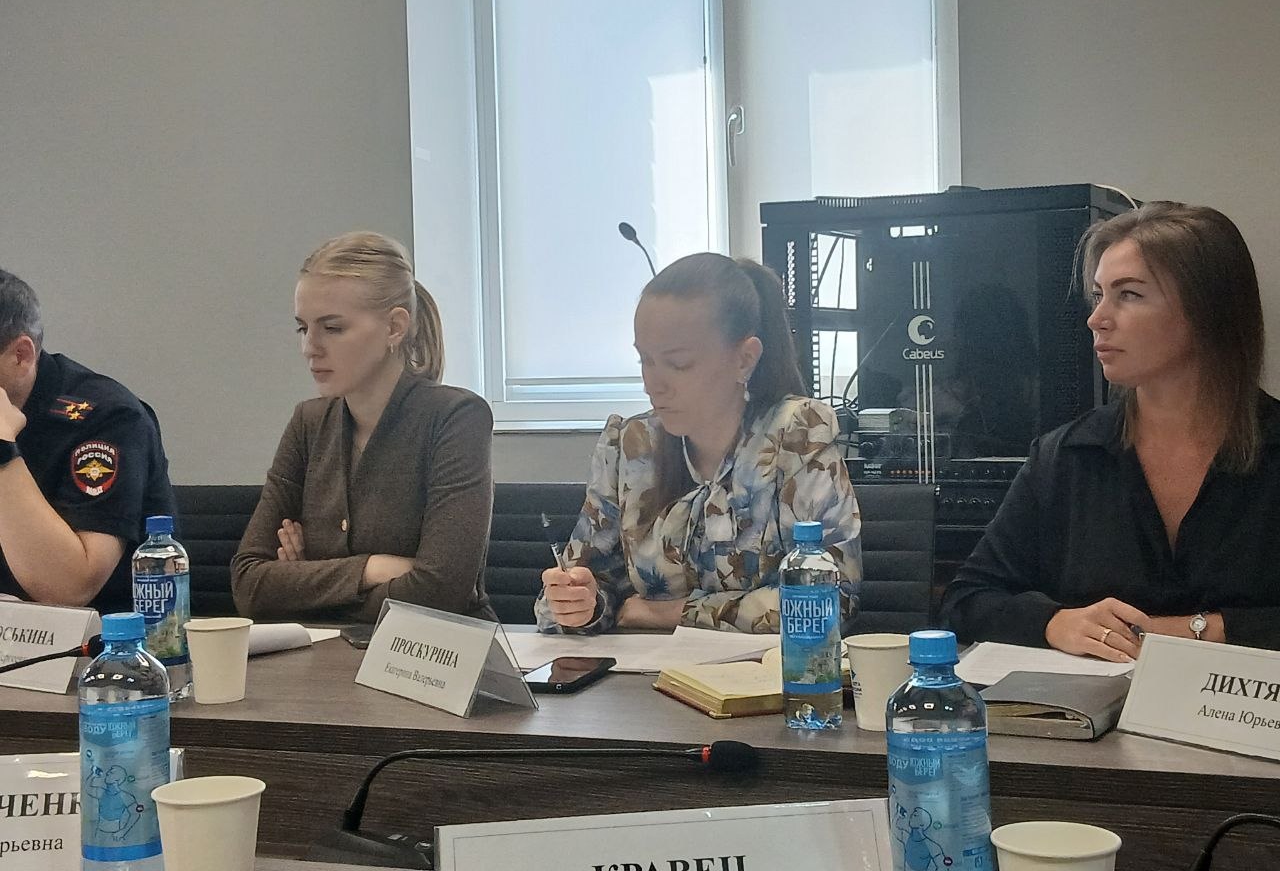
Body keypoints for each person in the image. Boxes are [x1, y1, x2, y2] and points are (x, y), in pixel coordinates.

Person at [941, 201, 1280, 657]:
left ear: (1208, 311)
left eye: (1130, 295)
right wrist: (1055, 622)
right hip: (1094, 701)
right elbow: (967, 600)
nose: (1096, 318)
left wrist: (1197, 630)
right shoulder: (1065, 455)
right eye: (1099, 294)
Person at [535, 253, 861, 634]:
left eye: (678, 364)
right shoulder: (630, 445)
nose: (653, 384)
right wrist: (584, 605)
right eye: (644, 361)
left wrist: (666, 613)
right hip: (645, 668)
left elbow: (830, 600)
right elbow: (569, 597)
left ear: (744, 359)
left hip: (769, 670)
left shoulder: (798, 434)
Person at [231, 232, 496, 623]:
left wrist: (304, 584)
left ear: (394, 327)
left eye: (333, 328)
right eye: (303, 328)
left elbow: (440, 592)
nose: (309, 347)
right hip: (329, 655)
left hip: (437, 655)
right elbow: (249, 586)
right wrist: (372, 569)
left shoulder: (456, 417)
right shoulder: (308, 423)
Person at [0, 269, 174, 612]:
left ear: (21, 355)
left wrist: (2, 451)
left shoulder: (108, 419)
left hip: (106, 641)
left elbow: (68, 588)